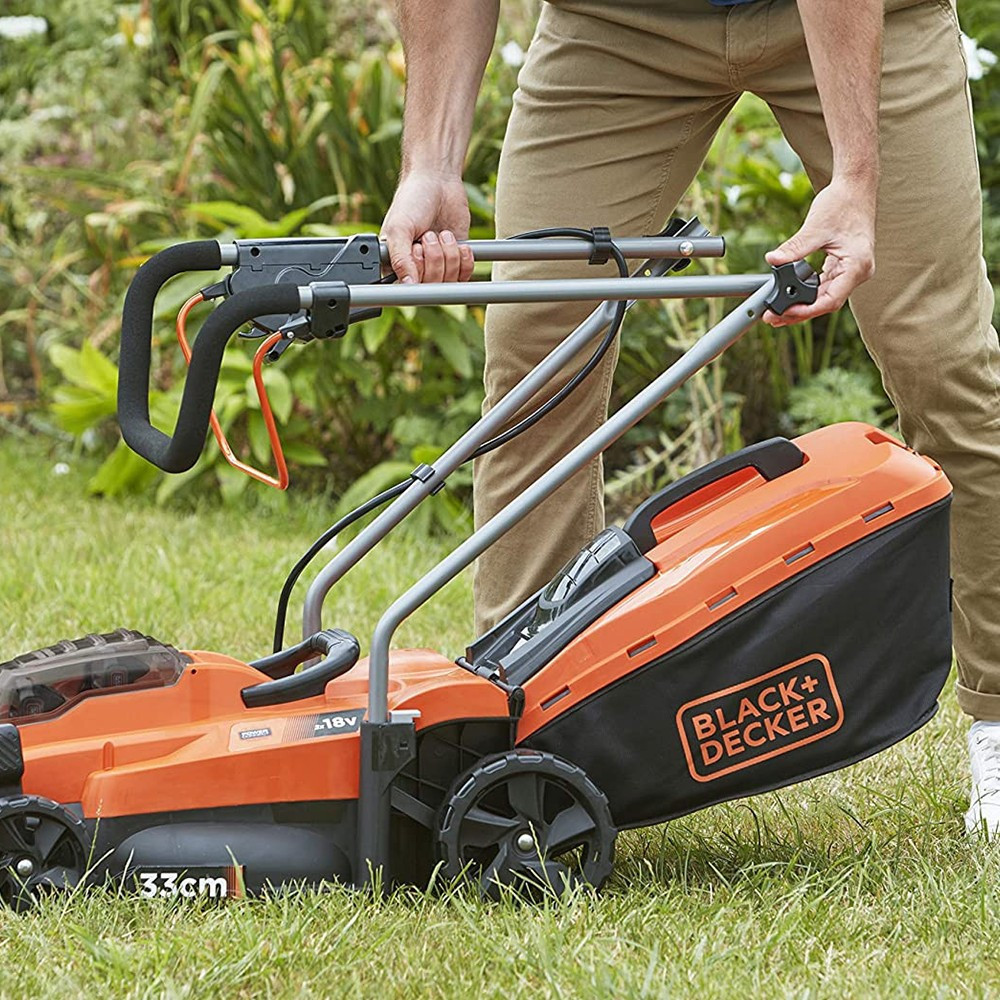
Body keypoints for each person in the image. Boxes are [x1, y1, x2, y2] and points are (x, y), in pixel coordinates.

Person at [381, 0, 1000, 835]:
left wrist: (856, 179)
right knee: (538, 364)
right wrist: (430, 161)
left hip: (862, 20)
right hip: (619, 23)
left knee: (941, 359)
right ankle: (521, 733)